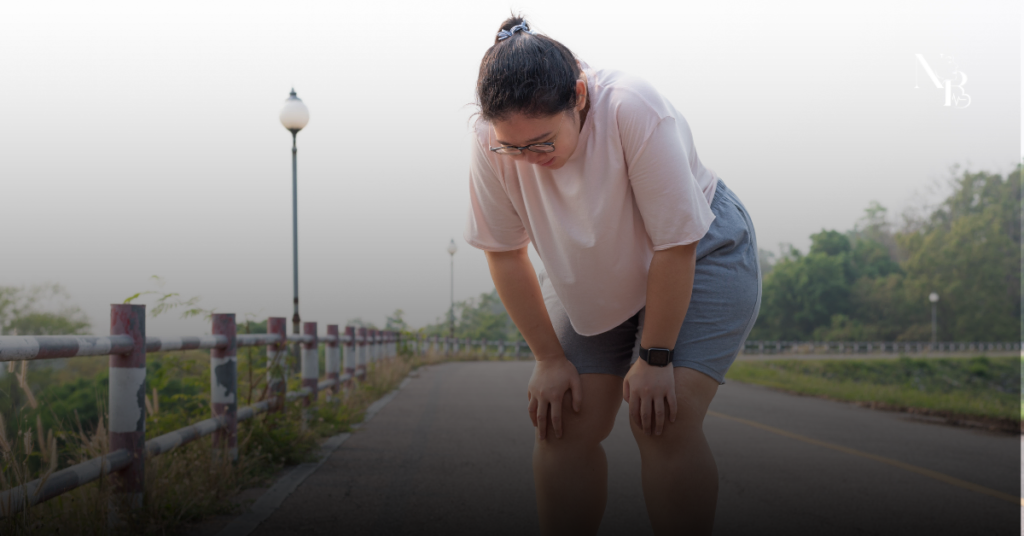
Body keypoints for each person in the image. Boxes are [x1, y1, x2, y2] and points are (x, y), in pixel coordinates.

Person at [463, 16, 761, 536]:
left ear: (578, 96)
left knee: (663, 420)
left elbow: (675, 243)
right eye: (514, 147)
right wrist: (549, 359)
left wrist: (655, 357)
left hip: (696, 251)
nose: (529, 160)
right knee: (561, 421)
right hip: (594, 266)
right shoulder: (490, 141)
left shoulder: (631, 106)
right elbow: (505, 254)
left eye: (542, 142)